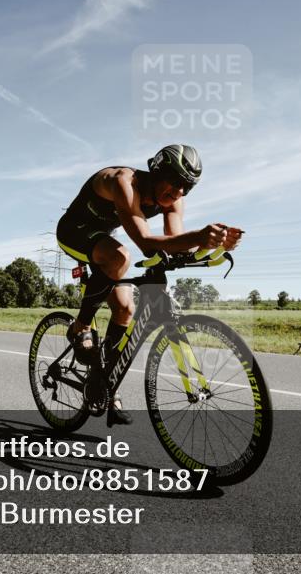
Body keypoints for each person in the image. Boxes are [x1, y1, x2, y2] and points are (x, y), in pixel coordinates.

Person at [56, 144, 243, 426]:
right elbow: (145, 243)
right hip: (73, 231)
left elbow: (175, 242)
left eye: (187, 187)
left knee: (125, 309)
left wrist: (213, 244)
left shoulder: (173, 199)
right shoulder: (123, 182)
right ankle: (80, 326)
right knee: (121, 257)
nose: (179, 192)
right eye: (176, 182)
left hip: (102, 238)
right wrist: (198, 237)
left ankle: (104, 382)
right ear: (157, 172)